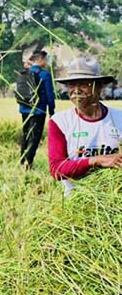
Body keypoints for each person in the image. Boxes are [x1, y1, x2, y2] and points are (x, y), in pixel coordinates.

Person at [48, 57, 122, 194]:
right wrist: (95, 160)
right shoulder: (60, 122)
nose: (76, 90)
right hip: (78, 202)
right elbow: (57, 170)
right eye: (71, 85)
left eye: (83, 84)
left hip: (115, 196)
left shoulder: (119, 119)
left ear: (99, 86)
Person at [19, 50, 56, 169]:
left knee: (26, 134)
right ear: (40, 60)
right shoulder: (44, 75)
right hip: (38, 111)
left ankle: (22, 160)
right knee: (34, 137)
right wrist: (52, 111)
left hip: (24, 109)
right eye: (46, 59)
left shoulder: (24, 72)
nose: (47, 62)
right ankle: (28, 163)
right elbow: (50, 95)